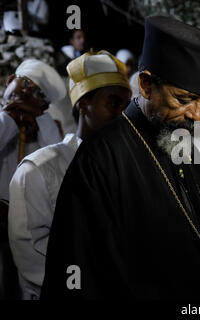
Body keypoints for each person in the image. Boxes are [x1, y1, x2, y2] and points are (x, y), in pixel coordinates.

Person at [40, 16, 200, 300]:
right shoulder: (101, 157)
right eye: (184, 99)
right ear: (145, 85)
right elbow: (78, 266)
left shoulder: (183, 146)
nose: (197, 115)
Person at [8, 51, 131, 300]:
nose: (123, 116)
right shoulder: (38, 170)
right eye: (113, 103)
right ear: (83, 103)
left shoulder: (131, 167)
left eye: (127, 107)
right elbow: (34, 260)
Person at [0, 59, 65, 202]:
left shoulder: (48, 127)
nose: (26, 93)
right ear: (10, 80)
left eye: (38, 94)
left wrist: (40, 119)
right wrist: (9, 118)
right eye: (25, 83)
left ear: (44, 107)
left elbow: (58, 164)